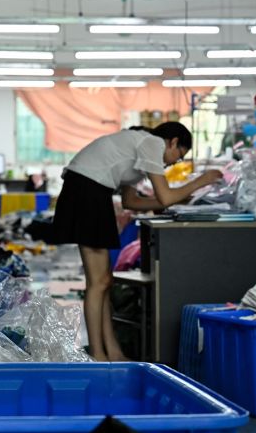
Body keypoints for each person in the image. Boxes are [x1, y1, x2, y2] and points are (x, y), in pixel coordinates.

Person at [52, 122, 222, 362]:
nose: (174, 163)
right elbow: (165, 195)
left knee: (104, 281)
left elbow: (132, 202)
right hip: (87, 192)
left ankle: (112, 351)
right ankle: (99, 355)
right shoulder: (152, 143)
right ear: (172, 141)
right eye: (178, 156)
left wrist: (179, 199)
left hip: (89, 191)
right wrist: (201, 180)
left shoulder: (139, 149)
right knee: (97, 282)